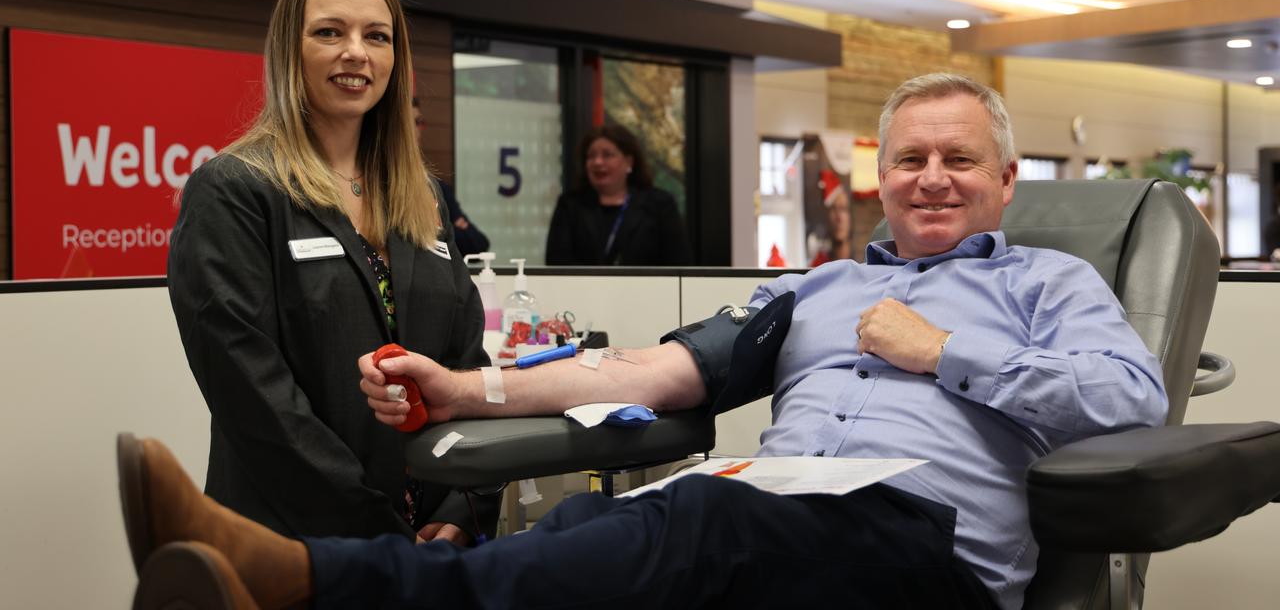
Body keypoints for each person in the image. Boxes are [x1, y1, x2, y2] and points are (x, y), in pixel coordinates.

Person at [128, 73, 1166, 609]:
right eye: (909, 158)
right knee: (570, 536)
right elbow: (653, 370)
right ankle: (305, 581)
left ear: (1003, 179)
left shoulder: (1049, 282)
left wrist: (943, 353)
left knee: (702, 520)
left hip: (921, 554)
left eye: (957, 159)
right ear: (879, 176)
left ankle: (304, 580)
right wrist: (461, 388)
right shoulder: (817, 286)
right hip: (778, 518)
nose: (931, 177)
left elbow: (1131, 402)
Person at [166, 0, 498, 548]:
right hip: (296, 544)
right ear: (290, 51)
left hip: (433, 537)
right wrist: (378, 533)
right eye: (329, 32)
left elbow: (467, 361)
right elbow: (258, 402)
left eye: (377, 35)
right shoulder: (234, 190)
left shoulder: (422, 196)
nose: (356, 53)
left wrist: (465, 504)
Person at [545, 124, 692, 265]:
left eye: (607, 155)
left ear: (629, 162)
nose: (597, 162)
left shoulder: (659, 204)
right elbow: (556, 260)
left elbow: (677, 262)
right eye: (591, 156)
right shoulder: (570, 204)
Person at [412, 85, 490, 257]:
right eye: (409, 123)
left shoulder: (434, 187)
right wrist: (446, 228)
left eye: (418, 122)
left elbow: (478, 243)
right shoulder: (374, 183)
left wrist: (437, 230)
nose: (415, 130)